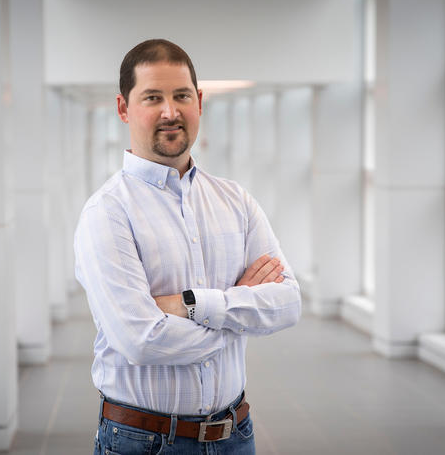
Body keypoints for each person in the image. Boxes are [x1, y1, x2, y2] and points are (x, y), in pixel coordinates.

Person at [74, 38, 301, 455]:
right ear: (123, 108)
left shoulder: (236, 201)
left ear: (199, 101)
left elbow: (288, 303)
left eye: (181, 96)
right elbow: (141, 340)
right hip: (143, 442)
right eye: (152, 98)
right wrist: (237, 315)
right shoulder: (106, 213)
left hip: (235, 435)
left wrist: (187, 305)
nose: (170, 111)